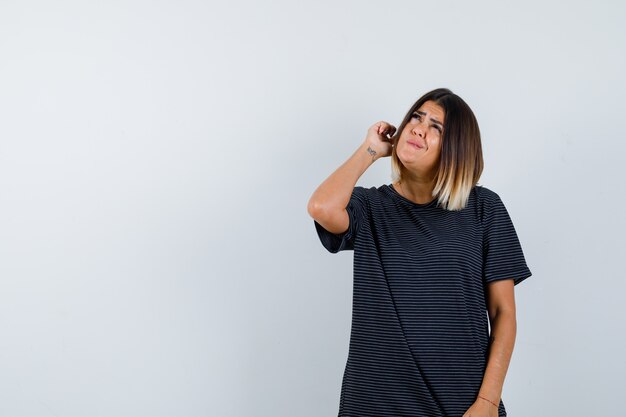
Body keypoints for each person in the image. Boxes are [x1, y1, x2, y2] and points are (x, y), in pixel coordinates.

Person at [307, 87, 532, 417]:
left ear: (457, 148)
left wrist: (486, 402)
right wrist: (369, 150)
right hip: (374, 405)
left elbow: (504, 315)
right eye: (416, 117)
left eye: (436, 127)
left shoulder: (484, 208)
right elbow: (321, 207)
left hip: (460, 405)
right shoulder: (370, 207)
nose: (418, 128)